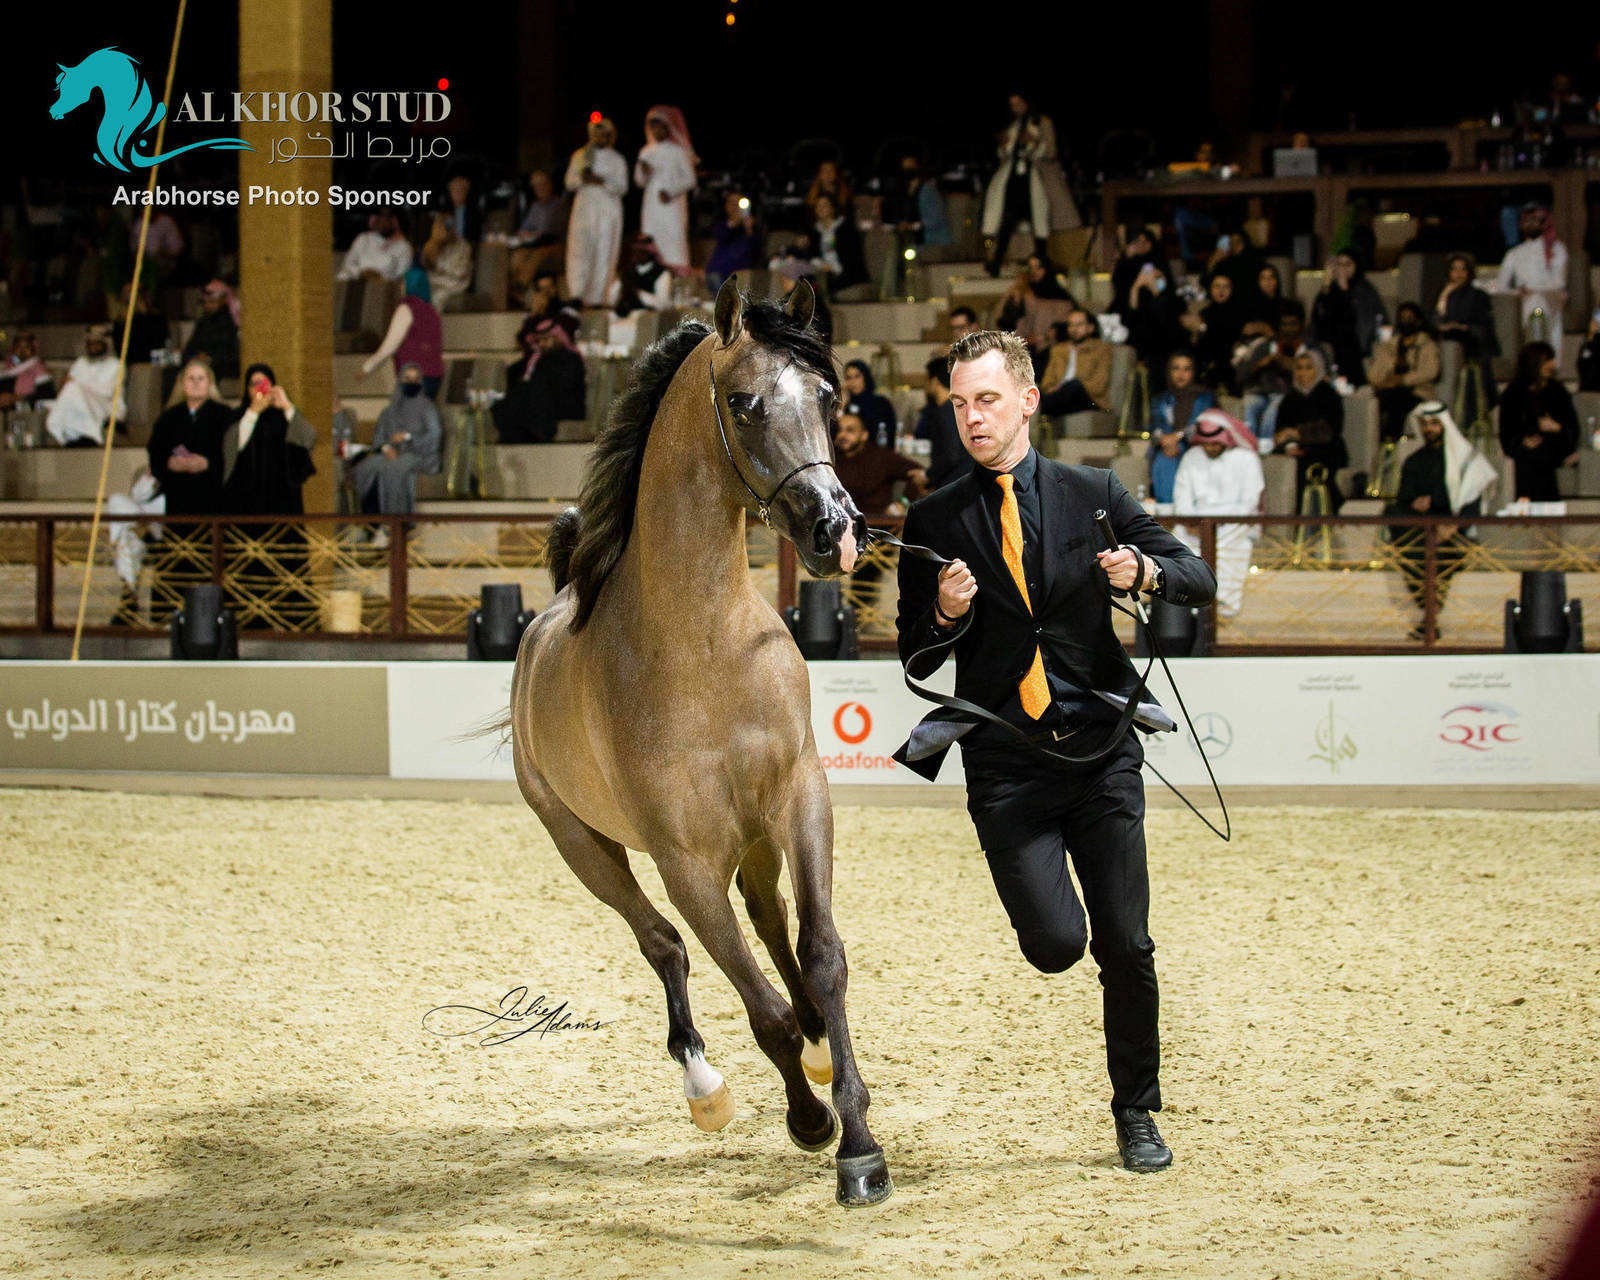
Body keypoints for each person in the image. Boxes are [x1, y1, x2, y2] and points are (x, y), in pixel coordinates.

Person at [892, 328, 1216, 1172]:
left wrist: (1143, 575)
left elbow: (1196, 576)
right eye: (959, 403)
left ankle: (1137, 1114)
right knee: (1056, 948)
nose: (972, 417)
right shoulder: (933, 518)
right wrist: (947, 617)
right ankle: (1056, 944)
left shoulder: (1095, 494)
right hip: (1005, 766)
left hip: (1101, 751)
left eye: (987, 399)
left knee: (1128, 946)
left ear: (1029, 401)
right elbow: (915, 657)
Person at [1386, 402, 1498, 639]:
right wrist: (1416, 504)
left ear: (1445, 425)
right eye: (1425, 424)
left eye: (1435, 424)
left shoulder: (1464, 460)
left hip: (1451, 530)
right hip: (1421, 529)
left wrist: (1452, 523)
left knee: (1434, 554)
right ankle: (1429, 617)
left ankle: (1429, 619)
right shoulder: (1414, 461)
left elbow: (1471, 503)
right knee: (1395, 517)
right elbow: (1404, 501)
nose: (1429, 429)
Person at [1172, 409, 1264, 618]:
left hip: (1233, 523)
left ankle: (1223, 605)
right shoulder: (1192, 457)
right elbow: (1182, 498)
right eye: (1206, 444)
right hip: (1196, 524)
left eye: (1214, 443)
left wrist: (1214, 525)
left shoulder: (1246, 458)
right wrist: (1191, 522)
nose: (1210, 448)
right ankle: (1190, 605)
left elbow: (1249, 504)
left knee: (1230, 541)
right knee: (1177, 537)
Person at [981, 93, 1076, 276]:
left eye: (1018, 103)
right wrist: (1005, 144)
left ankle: (1043, 263)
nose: (1015, 108)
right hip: (1015, 180)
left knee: (1039, 223)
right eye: (1012, 104)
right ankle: (997, 262)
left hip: (1035, 180)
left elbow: (1050, 150)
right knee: (1007, 222)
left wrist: (1034, 142)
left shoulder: (1041, 122)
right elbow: (1005, 153)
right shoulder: (1014, 125)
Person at [350, 362, 443, 520]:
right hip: (392, 453)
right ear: (400, 380)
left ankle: (394, 524)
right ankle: (369, 521)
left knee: (392, 470)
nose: (411, 382)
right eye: (407, 378)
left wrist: (408, 436)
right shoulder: (390, 409)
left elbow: (435, 434)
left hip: (419, 454)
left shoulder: (428, 408)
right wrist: (386, 448)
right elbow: (379, 435)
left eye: (415, 379)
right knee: (366, 468)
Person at [221, 364, 317, 515]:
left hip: (283, 498)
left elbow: (308, 437)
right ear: (247, 388)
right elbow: (232, 447)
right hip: (246, 500)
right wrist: (253, 413)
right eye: (254, 384)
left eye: (263, 383)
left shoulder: (283, 415)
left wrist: (286, 406)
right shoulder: (238, 416)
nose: (259, 389)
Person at [1498, 341, 1580, 501]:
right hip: (1524, 449)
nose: (1552, 365)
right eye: (1546, 361)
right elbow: (1507, 431)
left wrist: (1557, 428)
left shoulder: (1558, 391)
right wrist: (1523, 440)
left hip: (1554, 445)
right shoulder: (1513, 393)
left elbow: (1573, 428)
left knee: (1541, 455)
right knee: (1529, 456)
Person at [148, 358, 229, 516]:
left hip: (212, 491)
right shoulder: (168, 418)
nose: (195, 383)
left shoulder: (225, 415)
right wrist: (169, 463)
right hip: (176, 491)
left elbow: (232, 454)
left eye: (200, 378)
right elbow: (155, 451)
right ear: (182, 383)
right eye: (190, 378)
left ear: (210, 383)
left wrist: (208, 463)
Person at [563, 118, 628, 307]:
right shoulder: (580, 156)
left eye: (605, 134)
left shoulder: (617, 159)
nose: (600, 137)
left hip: (607, 210)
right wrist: (583, 178)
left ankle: (599, 297)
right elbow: (569, 182)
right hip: (584, 209)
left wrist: (602, 181)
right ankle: (576, 294)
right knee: (579, 250)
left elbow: (622, 186)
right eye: (597, 133)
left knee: (604, 251)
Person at [1273, 350, 1347, 511]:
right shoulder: (1289, 399)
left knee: (1306, 467)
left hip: (1326, 450)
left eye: (1308, 368)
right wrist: (1288, 446)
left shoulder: (1329, 396)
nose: (1303, 373)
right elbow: (1280, 430)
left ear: (1318, 370)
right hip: (1295, 450)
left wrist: (1296, 433)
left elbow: (1331, 430)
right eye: (1299, 368)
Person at [494, 315, 586, 444]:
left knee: (532, 390)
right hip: (539, 403)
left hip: (562, 405)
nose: (542, 344)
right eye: (540, 340)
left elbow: (563, 383)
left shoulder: (571, 359)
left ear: (558, 338)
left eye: (547, 339)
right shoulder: (537, 360)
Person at [359, 267, 444, 400]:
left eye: (404, 282)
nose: (401, 286)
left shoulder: (406, 308)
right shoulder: (432, 311)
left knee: (407, 416)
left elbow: (390, 344)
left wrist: (367, 367)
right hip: (434, 375)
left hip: (412, 374)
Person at [1236, 303, 1313, 444]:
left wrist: (1291, 366)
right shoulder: (1265, 345)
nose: (1288, 329)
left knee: (1274, 409)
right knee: (1250, 404)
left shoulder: (1310, 348)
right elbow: (1241, 376)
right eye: (1284, 324)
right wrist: (1261, 364)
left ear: (1301, 324)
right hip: (1261, 392)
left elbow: (1316, 376)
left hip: (1289, 395)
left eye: (1293, 324)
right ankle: (1249, 447)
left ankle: (1266, 449)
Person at [1110, 228, 1180, 380]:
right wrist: (1136, 286)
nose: (1141, 244)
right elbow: (1126, 307)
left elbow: (1169, 303)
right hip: (1133, 322)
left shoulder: (1159, 264)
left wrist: (1154, 286)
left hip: (1160, 321)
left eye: (1145, 241)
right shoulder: (1126, 266)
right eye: (1137, 241)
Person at [1147, 350, 1215, 504]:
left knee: (1174, 457)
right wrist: (1165, 439)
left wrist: (1177, 437)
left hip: (1196, 446)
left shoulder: (1204, 397)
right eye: (1176, 368)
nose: (1181, 374)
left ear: (1194, 372)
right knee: (1165, 459)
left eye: (1187, 369)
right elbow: (1155, 425)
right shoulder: (1161, 399)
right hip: (1165, 448)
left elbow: (1203, 423)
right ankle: (1169, 513)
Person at [635, 106, 696, 273]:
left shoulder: (678, 151)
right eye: (652, 126)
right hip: (651, 207)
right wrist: (644, 173)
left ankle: (678, 281)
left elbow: (690, 179)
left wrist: (671, 191)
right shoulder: (645, 152)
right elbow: (639, 181)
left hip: (672, 206)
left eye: (659, 125)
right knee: (652, 241)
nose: (656, 130)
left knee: (674, 244)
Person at [1434, 252, 1499, 409]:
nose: (1458, 274)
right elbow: (1435, 321)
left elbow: (1483, 327)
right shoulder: (1441, 294)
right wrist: (1444, 296)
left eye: (1462, 269)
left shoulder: (1479, 296)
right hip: (1446, 341)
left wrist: (1462, 327)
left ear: (1469, 272)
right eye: (1454, 269)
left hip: (1473, 342)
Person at [1310, 251, 1385, 387]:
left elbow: (1359, 320)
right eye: (1339, 264)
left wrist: (1344, 290)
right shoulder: (1330, 289)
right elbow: (1319, 317)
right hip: (1331, 342)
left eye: (1347, 265)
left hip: (1356, 345)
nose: (1343, 269)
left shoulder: (1364, 289)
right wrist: (1327, 283)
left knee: (1346, 344)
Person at [1368, 302, 1441, 441]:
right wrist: (1386, 379)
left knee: (1397, 403)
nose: (1406, 321)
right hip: (1389, 389)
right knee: (1378, 402)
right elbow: (1374, 375)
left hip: (1417, 392)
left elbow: (1430, 372)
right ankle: (1376, 443)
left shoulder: (1427, 345)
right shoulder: (1389, 346)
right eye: (1403, 317)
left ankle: (1391, 442)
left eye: (1410, 317)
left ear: (1419, 321)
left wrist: (1402, 380)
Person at [833, 411, 926, 515]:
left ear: (864, 435)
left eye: (850, 430)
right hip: (838, 521)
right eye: (839, 430)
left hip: (877, 523)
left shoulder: (880, 456)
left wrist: (903, 503)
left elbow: (918, 472)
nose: (842, 435)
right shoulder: (829, 456)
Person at [45, 325, 125, 447]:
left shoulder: (115, 365)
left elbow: (105, 392)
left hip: (107, 405)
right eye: (90, 344)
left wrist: (76, 386)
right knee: (69, 393)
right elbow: (67, 386)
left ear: (105, 345)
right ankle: (70, 436)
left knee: (73, 390)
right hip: (80, 402)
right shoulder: (81, 363)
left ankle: (92, 435)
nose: (93, 347)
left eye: (96, 344)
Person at [1497, 203, 1568, 334]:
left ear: (1543, 224)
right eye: (1526, 221)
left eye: (1535, 221)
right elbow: (1502, 287)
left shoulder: (1557, 249)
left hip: (1550, 305)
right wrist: (1518, 292)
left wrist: (1535, 289)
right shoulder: (1513, 254)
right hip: (1524, 306)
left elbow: (1559, 282)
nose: (1530, 224)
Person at [994, 254, 1077, 358]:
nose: (1034, 272)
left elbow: (1067, 325)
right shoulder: (1019, 292)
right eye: (1030, 268)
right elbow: (1004, 322)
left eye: (1038, 267)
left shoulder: (1060, 296)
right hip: (1019, 351)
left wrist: (1043, 337)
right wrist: (1017, 297)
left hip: (1051, 352)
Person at [1181, 273, 1248, 394]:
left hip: (1227, 361)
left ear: (1231, 290)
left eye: (1225, 287)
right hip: (1203, 361)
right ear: (1211, 289)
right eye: (1217, 286)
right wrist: (1195, 333)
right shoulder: (1205, 312)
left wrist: (1202, 327)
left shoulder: (1238, 312)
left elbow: (1225, 338)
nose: (1221, 290)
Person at [1038, 308, 1111, 416]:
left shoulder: (1101, 349)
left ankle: (1041, 408)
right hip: (1060, 396)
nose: (1074, 329)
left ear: (1090, 328)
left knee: (1074, 385)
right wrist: (1054, 389)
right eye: (1071, 325)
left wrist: (1066, 388)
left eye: (1079, 325)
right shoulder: (1058, 350)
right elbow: (1046, 382)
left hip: (1088, 399)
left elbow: (1098, 385)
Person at [915, 358, 966, 491]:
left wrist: (928, 476)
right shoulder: (955, 407)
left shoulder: (947, 410)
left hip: (954, 487)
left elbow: (950, 455)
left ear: (934, 381)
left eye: (926, 380)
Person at [180, 279, 240, 382]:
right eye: (205, 302)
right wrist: (196, 357)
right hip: (199, 366)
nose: (207, 306)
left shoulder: (232, 323)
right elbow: (189, 349)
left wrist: (209, 358)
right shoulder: (203, 323)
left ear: (222, 300)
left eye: (212, 302)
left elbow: (232, 354)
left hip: (221, 367)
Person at [812, 194, 870, 297]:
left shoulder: (846, 229)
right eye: (818, 206)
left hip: (846, 274)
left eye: (824, 205)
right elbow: (812, 254)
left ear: (832, 208)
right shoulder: (815, 231)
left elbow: (853, 259)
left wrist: (834, 269)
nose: (820, 209)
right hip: (824, 272)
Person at [705, 190, 760, 293]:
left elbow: (754, 250)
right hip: (719, 272)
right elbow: (721, 237)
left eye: (738, 203)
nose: (735, 207)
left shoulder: (751, 227)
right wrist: (734, 223)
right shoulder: (721, 224)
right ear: (726, 206)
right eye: (732, 203)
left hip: (741, 275)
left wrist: (749, 229)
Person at [336, 209, 413, 282]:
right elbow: (348, 264)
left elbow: (401, 276)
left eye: (389, 216)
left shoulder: (404, 246)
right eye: (380, 215)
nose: (384, 220)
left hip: (385, 285)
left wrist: (378, 277)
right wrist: (362, 273)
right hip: (359, 279)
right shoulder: (363, 238)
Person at [609, 233, 675, 315]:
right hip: (623, 318)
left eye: (640, 252)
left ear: (650, 253)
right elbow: (611, 299)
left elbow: (663, 304)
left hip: (647, 319)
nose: (636, 255)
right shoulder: (626, 272)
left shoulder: (662, 273)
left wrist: (639, 294)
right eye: (634, 252)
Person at [421, 213, 473, 311]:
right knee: (414, 290)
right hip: (435, 280)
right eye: (437, 228)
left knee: (437, 296)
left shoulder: (462, 246)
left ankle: (432, 325)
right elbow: (428, 268)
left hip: (456, 283)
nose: (439, 232)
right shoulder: (431, 245)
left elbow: (459, 272)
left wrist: (440, 272)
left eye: (442, 228)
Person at [841, 360, 897, 447]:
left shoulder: (881, 403)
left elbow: (887, 435)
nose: (853, 382)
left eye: (857, 376)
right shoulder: (847, 405)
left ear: (865, 377)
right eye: (848, 378)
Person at [112, 283, 168, 362]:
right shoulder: (121, 320)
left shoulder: (155, 317)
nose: (130, 296)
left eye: (134, 292)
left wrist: (144, 315)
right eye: (127, 293)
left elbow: (159, 341)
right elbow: (119, 346)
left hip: (152, 363)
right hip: (130, 362)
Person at [0, 331, 54, 408]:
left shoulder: (40, 371)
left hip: (27, 413)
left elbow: (46, 398)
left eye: (27, 347)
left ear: (33, 349)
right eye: (18, 347)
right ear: (13, 349)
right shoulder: (8, 369)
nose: (22, 351)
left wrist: (16, 398)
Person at [438, 172, 482, 244]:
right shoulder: (444, 212)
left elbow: (476, 235)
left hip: (468, 248)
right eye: (455, 191)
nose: (458, 193)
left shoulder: (474, 212)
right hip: (448, 248)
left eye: (461, 190)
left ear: (466, 192)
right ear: (450, 192)